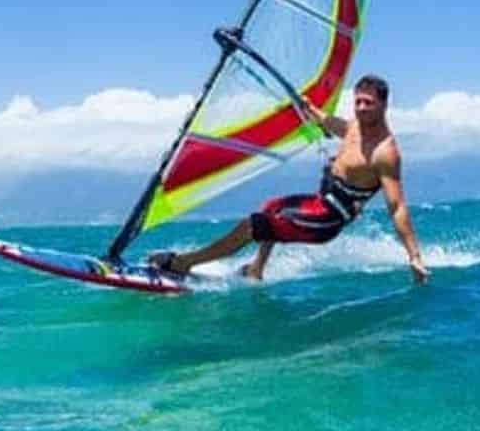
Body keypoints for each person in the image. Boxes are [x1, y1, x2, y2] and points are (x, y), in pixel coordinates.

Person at [149, 75, 430, 284]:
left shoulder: (385, 152)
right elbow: (336, 126)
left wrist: (413, 257)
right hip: (319, 201)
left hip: (327, 219)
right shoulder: (356, 125)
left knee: (253, 226)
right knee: (270, 207)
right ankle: (256, 269)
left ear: (384, 104)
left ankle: (183, 264)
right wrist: (311, 110)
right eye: (357, 101)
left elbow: (397, 207)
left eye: (368, 103)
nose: (361, 107)